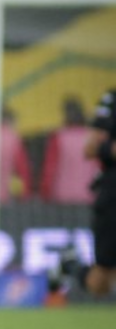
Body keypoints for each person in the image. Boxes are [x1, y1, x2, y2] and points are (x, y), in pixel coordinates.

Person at [49, 88, 115, 299]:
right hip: (113, 196)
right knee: (100, 283)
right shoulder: (112, 100)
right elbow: (90, 148)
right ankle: (71, 265)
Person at [40, 97, 100, 204]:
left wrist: (46, 193)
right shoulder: (92, 137)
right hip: (88, 195)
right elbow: (100, 167)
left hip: (63, 195)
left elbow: (50, 168)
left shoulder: (58, 137)